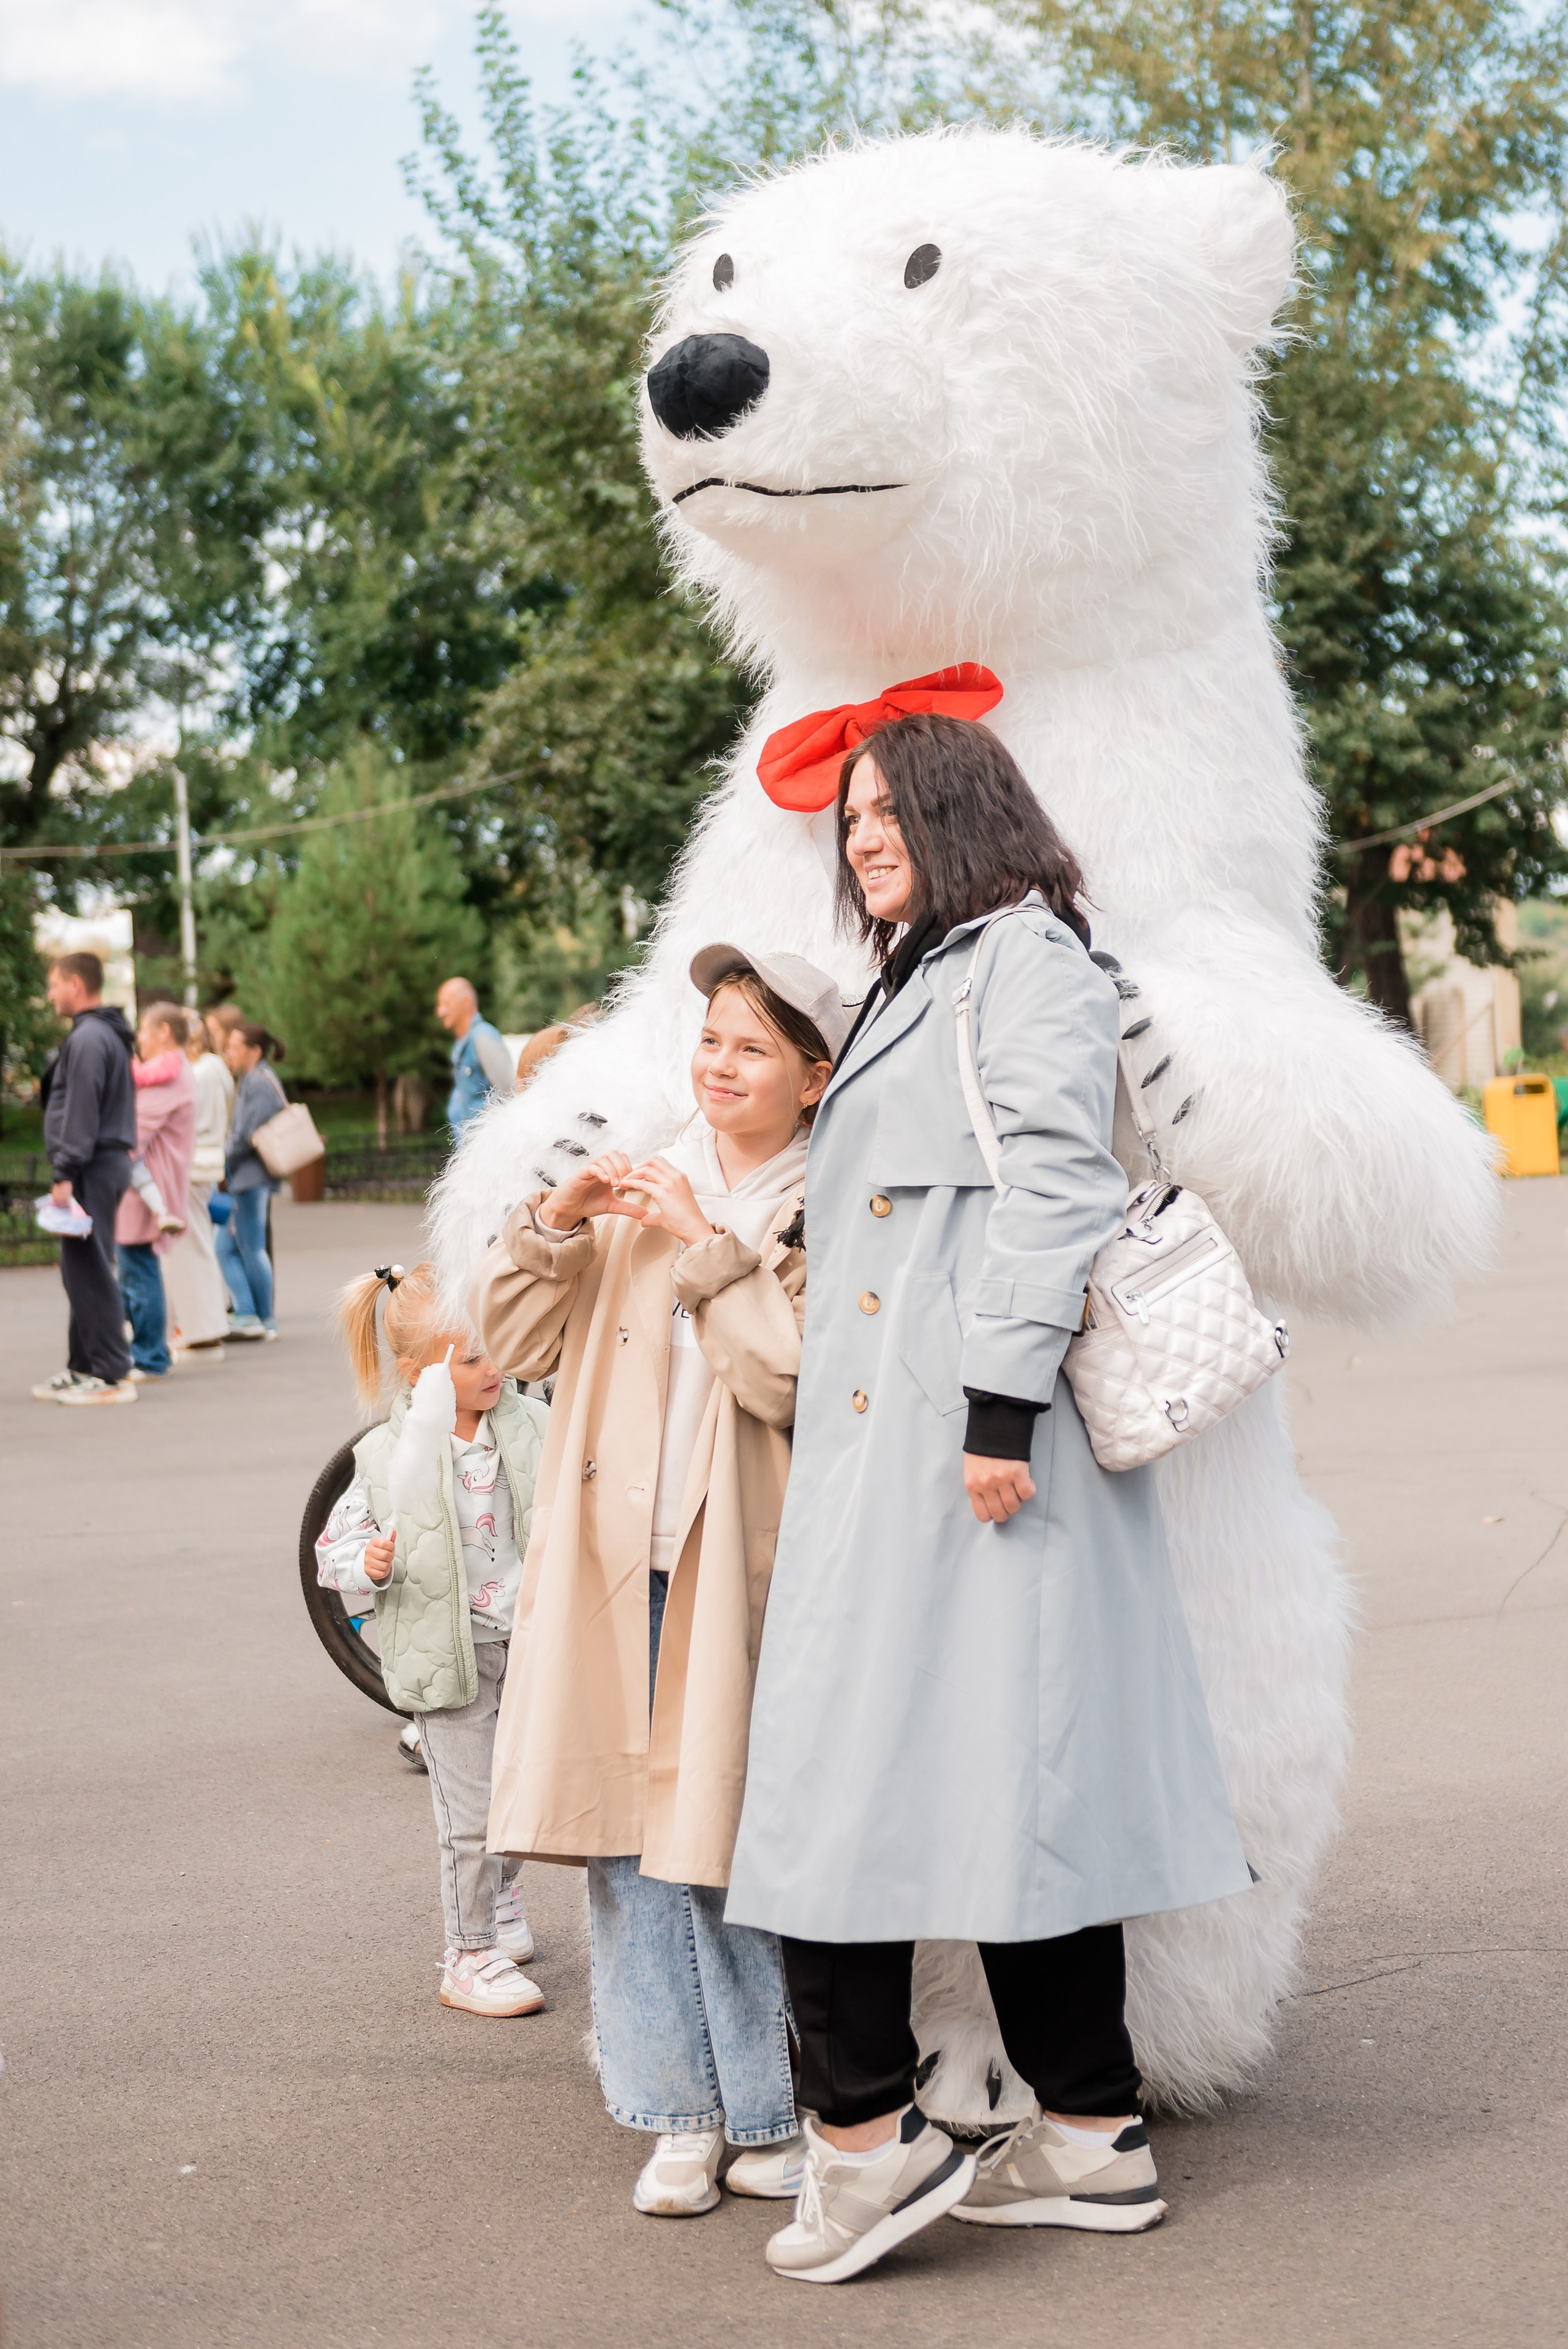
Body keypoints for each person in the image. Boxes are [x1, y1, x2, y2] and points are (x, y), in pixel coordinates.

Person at [723, 713, 1253, 2285]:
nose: (863, 832)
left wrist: (999, 1400)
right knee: (1002, 1782)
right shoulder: (932, 964)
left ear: (966, 810)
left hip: (956, 1443)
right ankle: (1085, 2135)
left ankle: (859, 2146)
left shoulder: (1020, 959)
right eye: (852, 812)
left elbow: (1054, 1178)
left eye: (891, 807)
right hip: (926, 1441)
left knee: (837, 1780)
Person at [471, 948, 846, 2219]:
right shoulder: (644, 1179)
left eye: (751, 1047)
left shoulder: (826, 1208)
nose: (719, 1065)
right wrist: (552, 1227)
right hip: (607, 1561)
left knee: (726, 1845)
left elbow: (789, 1383)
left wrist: (708, 1249)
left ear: (814, 1076)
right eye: (710, 1039)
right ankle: (672, 2115)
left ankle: (759, 2108)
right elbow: (512, 1345)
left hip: (736, 1569)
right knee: (621, 1854)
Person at [316, 1263, 549, 2018]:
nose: (494, 1369)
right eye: (472, 1358)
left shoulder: (533, 1425)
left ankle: (503, 1900)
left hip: (533, 1646)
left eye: (496, 1349)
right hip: (447, 1653)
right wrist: (368, 1562)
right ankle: (468, 1955)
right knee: (471, 1817)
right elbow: (333, 1550)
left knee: (523, 1802)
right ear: (419, 1375)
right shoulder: (388, 1459)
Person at [32, 952, 138, 1407]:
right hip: (97, 1162)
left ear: (76, 984)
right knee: (80, 1269)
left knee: (90, 1270)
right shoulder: (99, 1033)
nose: (51, 993)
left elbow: (82, 1109)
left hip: (91, 1165)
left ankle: (112, 1373)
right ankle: (84, 1367)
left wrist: (65, 1171)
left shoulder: (91, 1037)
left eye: (54, 984)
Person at [113, 1004, 197, 1383]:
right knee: (135, 1269)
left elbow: (132, 1134)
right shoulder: (176, 1071)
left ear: (163, 1031)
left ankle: (149, 1355)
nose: (139, 1040)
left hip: (146, 1188)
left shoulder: (168, 1074)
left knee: (137, 1270)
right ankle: (147, 1352)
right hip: (151, 1184)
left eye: (144, 1031)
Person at [163, 1009, 234, 1359]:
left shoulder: (202, 1071)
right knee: (197, 1243)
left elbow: (193, 1122)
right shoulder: (215, 1068)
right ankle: (202, 1326)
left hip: (192, 1164)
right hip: (203, 1163)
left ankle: (202, 1330)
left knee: (191, 1246)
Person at [218, 1023, 287, 1341]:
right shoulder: (255, 1079)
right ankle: (249, 1313)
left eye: (235, 1046)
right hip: (248, 1177)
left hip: (250, 1177)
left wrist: (221, 1159)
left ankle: (261, 1318)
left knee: (250, 1247)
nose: (229, 1052)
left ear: (254, 1051)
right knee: (231, 1246)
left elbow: (244, 1135)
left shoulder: (258, 1082)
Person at [436, 978, 515, 1137]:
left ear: (466, 1002)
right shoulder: (462, 1043)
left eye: (446, 1004)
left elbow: (508, 1092)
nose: (440, 1012)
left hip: (487, 1147)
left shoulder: (483, 1036)